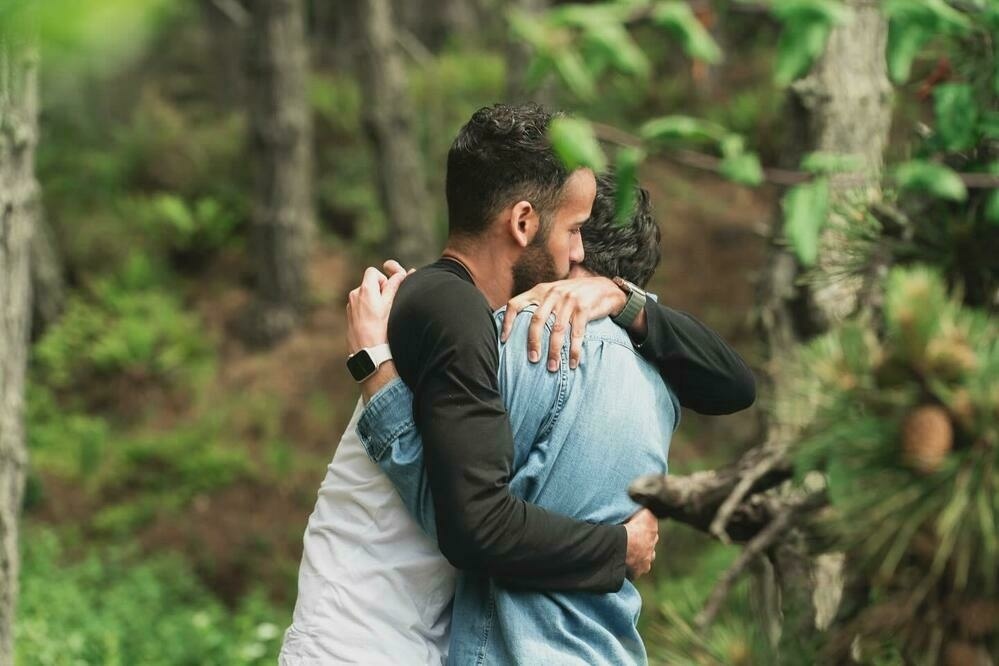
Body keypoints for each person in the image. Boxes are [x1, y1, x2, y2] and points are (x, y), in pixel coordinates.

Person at [279, 103, 755, 665]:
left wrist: (625, 301)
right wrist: (618, 546)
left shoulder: (493, 329)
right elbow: (475, 524)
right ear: (525, 223)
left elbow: (734, 383)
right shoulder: (458, 314)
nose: (572, 250)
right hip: (361, 640)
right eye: (570, 231)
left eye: (581, 236)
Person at [359, 172, 685, 663]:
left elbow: (465, 523)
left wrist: (377, 379)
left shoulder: (513, 344)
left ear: (574, 251)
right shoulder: (666, 378)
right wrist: (620, 548)